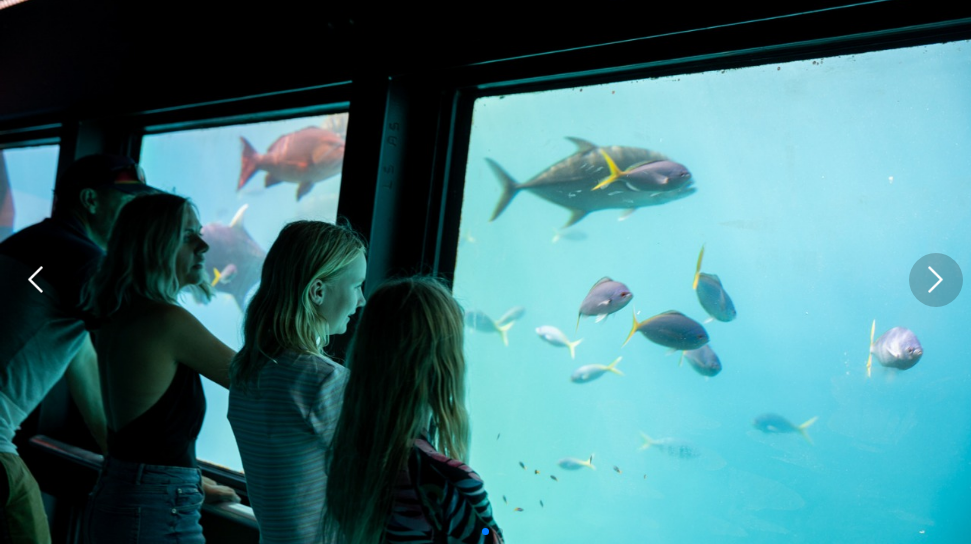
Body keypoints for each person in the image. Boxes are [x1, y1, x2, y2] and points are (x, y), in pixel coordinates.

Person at [0, 153, 154, 543]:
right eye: (128, 198)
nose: (137, 211)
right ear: (90, 200)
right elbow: (150, 334)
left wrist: (127, 462)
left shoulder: (29, 243)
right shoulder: (80, 259)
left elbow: (81, 361)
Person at [82, 192, 240, 544]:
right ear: (153, 245)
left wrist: (190, 479)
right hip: (154, 510)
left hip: (124, 496)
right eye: (187, 236)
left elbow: (141, 439)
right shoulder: (166, 321)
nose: (203, 245)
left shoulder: (118, 314)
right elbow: (254, 378)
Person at [325, 277, 504, 544]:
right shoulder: (449, 481)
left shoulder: (347, 457)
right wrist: (486, 529)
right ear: (445, 366)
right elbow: (487, 537)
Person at [228, 220, 366, 544]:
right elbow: (370, 480)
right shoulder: (325, 381)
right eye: (356, 285)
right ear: (318, 291)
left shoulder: (246, 372)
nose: (362, 300)